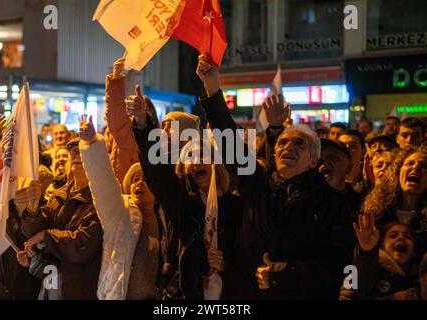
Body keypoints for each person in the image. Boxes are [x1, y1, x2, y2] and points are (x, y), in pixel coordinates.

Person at [196, 55, 353, 299]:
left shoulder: (331, 203)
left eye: (299, 143)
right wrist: (212, 86)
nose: (288, 148)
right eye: (283, 143)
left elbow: (335, 267)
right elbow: (229, 141)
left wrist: (279, 274)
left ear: (314, 160)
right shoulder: (258, 181)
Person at [129, 86, 242, 300]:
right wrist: (143, 125)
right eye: (189, 157)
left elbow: (249, 250)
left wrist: (227, 263)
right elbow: (158, 172)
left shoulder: (236, 205)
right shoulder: (182, 202)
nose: (196, 161)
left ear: (215, 163)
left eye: (202, 155)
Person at [79, 116, 166, 300]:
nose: (139, 184)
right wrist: (93, 143)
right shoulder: (121, 212)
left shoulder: (164, 220)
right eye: (135, 180)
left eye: (145, 180)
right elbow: (102, 184)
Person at [20, 138, 103, 300]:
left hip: (78, 287)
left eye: (81, 151)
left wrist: (46, 236)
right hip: (50, 283)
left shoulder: (99, 199)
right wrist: (33, 208)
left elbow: (83, 244)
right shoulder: (60, 193)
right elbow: (35, 231)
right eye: (72, 151)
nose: (75, 154)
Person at [361, 146, 427, 257]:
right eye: (409, 163)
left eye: (424, 166)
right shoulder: (377, 213)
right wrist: (365, 250)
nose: (415, 168)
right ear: (397, 172)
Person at [352, 216, 420, 300]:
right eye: (393, 236)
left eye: (407, 237)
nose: (401, 238)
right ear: (382, 246)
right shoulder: (375, 269)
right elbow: (361, 285)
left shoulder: (419, 276)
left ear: (414, 252)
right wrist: (367, 250)